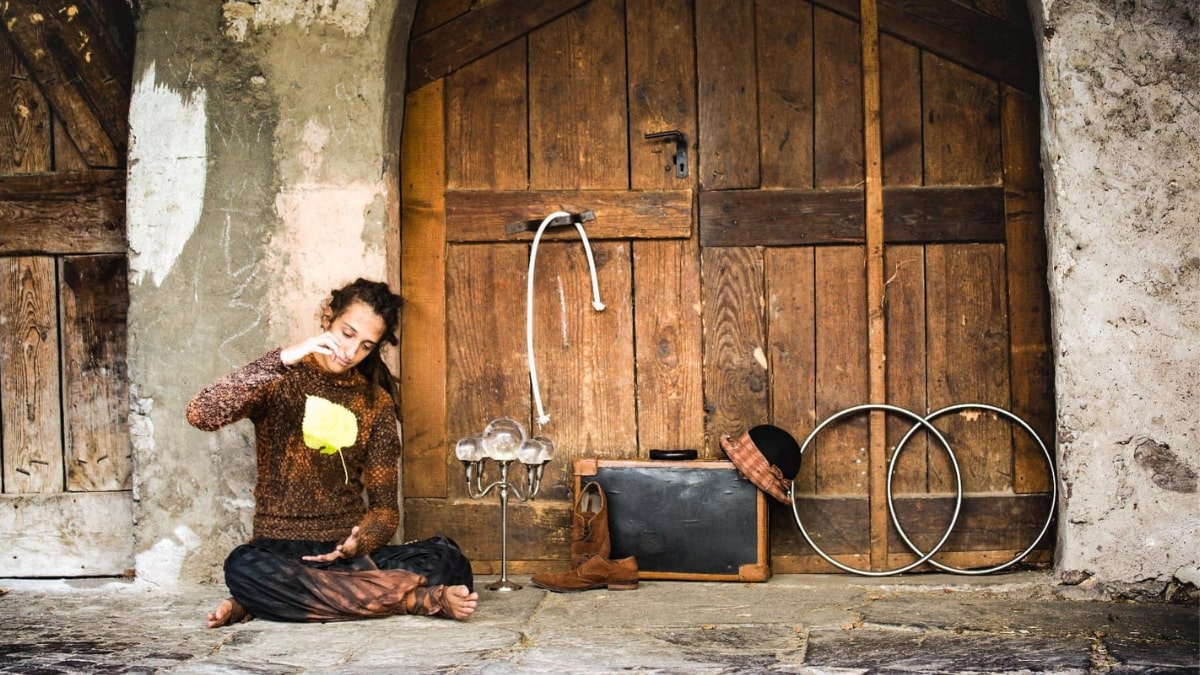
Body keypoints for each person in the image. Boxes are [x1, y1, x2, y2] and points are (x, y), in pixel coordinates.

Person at [187, 278, 478, 626]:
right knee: (243, 567)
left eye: (366, 345)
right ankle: (411, 599)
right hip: (282, 552)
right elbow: (201, 413)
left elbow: (385, 509)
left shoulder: (375, 403)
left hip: (348, 556)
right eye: (347, 333)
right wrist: (283, 358)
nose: (351, 351)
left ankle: (259, 604)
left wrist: (361, 541)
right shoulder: (281, 379)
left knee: (449, 560)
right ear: (328, 317)